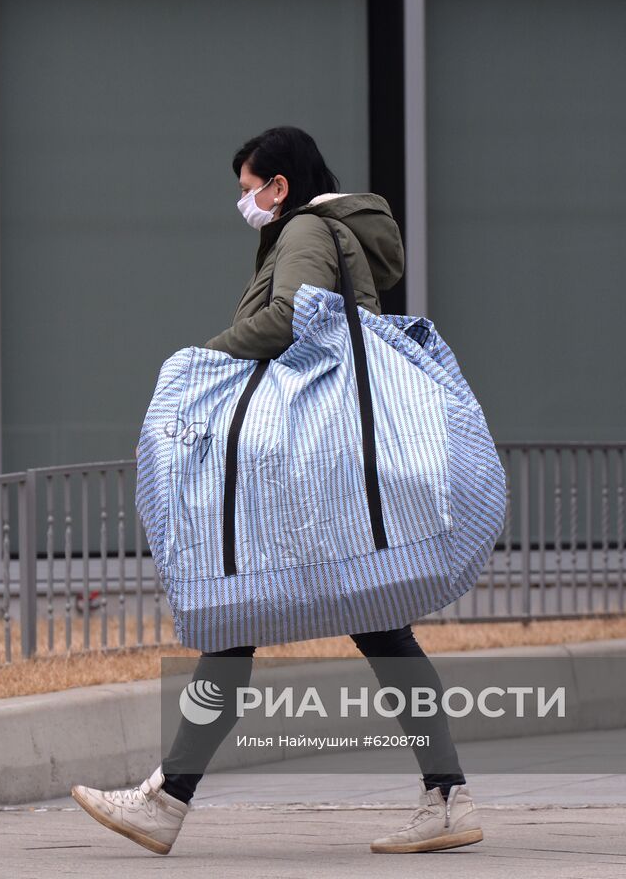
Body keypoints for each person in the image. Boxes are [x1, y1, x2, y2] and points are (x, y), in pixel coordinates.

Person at [69, 126, 483, 857]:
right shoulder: (335, 232)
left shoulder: (302, 232)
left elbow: (292, 319)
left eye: (248, 188)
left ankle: (167, 802)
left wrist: (201, 360)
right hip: (336, 458)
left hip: (308, 459)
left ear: (279, 186)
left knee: (249, 618)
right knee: (375, 624)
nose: (246, 203)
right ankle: (445, 796)